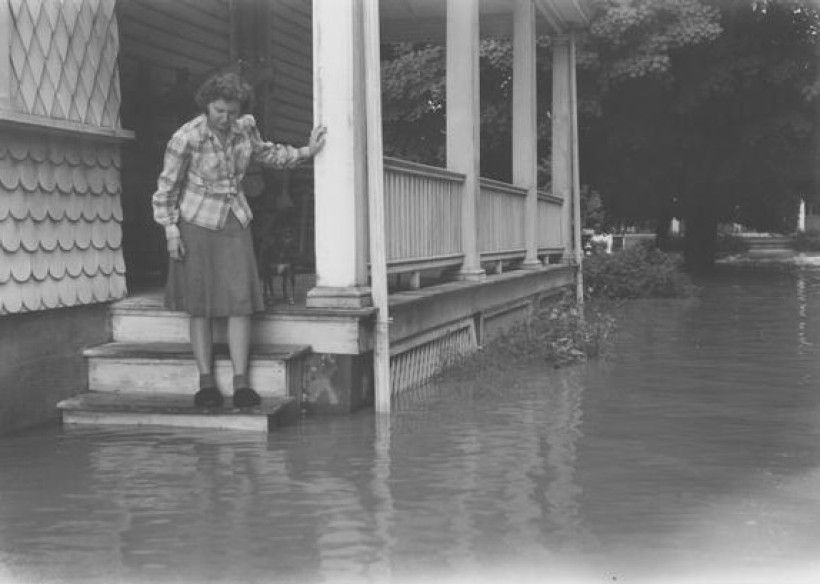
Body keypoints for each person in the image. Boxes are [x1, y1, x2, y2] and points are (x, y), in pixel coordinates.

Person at [152, 71, 326, 408]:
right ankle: (205, 382)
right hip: (195, 221)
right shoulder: (186, 137)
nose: (226, 117)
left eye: (231, 111)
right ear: (207, 106)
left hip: (235, 219)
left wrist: (307, 150)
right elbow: (166, 187)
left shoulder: (244, 127)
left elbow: (266, 154)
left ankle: (241, 379)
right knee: (199, 303)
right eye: (219, 110)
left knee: (240, 301)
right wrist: (170, 230)